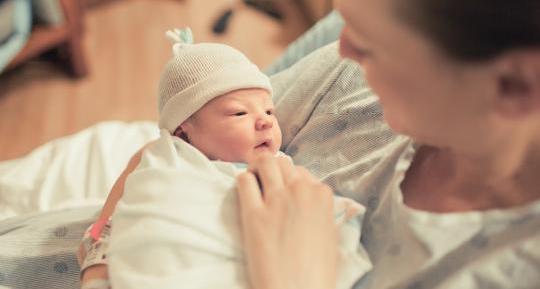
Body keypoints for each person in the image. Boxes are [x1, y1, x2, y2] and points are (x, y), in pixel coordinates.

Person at [236, 0, 540, 288]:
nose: (342, 47)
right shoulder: (347, 79)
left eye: (369, 44)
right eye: (344, 19)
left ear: (515, 86)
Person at [78, 28, 370, 289]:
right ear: (184, 131)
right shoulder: (166, 155)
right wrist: (98, 250)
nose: (265, 122)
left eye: (269, 111)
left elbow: (301, 217)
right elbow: (123, 200)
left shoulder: (277, 165)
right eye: (239, 113)